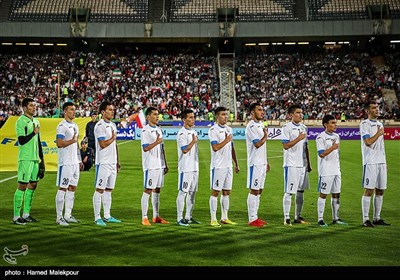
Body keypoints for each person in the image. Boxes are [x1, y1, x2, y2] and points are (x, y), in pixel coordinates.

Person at [13, 98, 44, 225]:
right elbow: (21, 140)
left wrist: (42, 160)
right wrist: (33, 133)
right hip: (25, 158)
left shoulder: (36, 121)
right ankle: (16, 216)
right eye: (31, 105)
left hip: (35, 158)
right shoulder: (21, 121)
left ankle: (26, 214)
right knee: (22, 185)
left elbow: (38, 142)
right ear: (24, 108)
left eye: (34, 105)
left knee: (33, 184)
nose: (34, 107)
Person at [360, 101, 390, 227]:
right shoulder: (364, 124)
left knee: (381, 190)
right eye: (373, 108)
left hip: (380, 162)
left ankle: (377, 218)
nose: (377, 109)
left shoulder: (379, 124)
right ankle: (366, 219)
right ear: (367, 111)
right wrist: (379, 133)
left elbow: (381, 145)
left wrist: (385, 161)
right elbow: (368, 142)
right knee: (369, 190)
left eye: (377, 107)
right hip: (370, 161)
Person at [208, 107, 240, 227]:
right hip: (218, 166)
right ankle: (213, 219)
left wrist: (236, 163)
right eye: (223, 115)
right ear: (217, 116)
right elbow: (215, 147)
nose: (225, 117)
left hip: (228, 166)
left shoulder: (229, 129)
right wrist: (226, 140)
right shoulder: (213, 130)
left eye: (226, 114)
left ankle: (224, 217)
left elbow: (232, 148)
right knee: (215, 192)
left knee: (227, 192)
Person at [282, 104, 312, 226]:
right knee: (289, 191)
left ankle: (297, 216)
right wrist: (299, 138)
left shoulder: (304, 127)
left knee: (301, 191)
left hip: (302, 165)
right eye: (298, 112)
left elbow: (306, 147)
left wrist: (308, 163)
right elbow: (285, 145)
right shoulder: (286, 127)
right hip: (291, 164)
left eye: (301, 112)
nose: (301, 115)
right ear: (291, 115)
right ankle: (286, 218)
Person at [92, 101, 121, 226]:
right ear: (103, 112)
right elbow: (102, 144)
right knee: (100, 189)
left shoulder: (113, 125)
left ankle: (107, 216)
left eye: (113, 109)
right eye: (109, 109)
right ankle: (97, 217)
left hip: (112, 162)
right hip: (103, 162)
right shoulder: (100, 126)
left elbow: (115, 145)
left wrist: (117, 161)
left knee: (109, 190)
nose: (112, 111)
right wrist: (113, 138)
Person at [316, 114, 347, 227]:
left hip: (336, 170)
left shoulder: (337, 136)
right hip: (326, 171)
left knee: (336, 194)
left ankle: (336, 218)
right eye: (333, 123)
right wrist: (333, 147)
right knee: (323, 194)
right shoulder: (320, 137)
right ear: (325, 124)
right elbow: (321, 154)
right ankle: (320, 219)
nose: (335, 125)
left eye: (335, 123)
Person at [55, 102, 83, 226]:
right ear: (65, 111)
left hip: (75, 163)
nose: (74, 112)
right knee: (63, 188)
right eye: (71, 110)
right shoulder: (62, 126)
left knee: (72, 188)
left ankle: (68, 215)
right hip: (65, 163)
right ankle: (59, 217)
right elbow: (59, 143)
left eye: (74, 109)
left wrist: (80, 160)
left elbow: (76, 145)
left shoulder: (75, 125)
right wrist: (72, 140)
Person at [140, 106, 169, 226]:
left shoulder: (158, 129)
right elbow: (145, 148)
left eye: (158, 114)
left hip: (159, 165)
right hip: (150, 165)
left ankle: (156, 216)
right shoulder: (145, 131)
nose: (157, 116)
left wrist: (164, 163)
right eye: (155, 114)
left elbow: (161, 148)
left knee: (157, 190)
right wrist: (156, 142)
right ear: (148, 117)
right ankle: (144, 217)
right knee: (148, 190)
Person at [245, 102, 269, 227]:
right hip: (255, 163)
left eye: (262, 109)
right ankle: (252, 219)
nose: (262, 112)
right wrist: (266, 135)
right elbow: (257, 144)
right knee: (254, 190)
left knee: (259, 190)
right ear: (252, 112)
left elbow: (263, 147)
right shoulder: (251, 126)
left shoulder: (260, 125)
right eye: (259, 110)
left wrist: (267, 162)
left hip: (262, 163)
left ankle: (256, 217)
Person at [176, 109, 199, 226]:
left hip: (194, 167)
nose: (193, 119)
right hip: (185, 168)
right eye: (190, 117)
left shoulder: (193, 131)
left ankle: (188, 216)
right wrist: (193, 142)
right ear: (184, 120)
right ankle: (179, 218)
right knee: (183, 192)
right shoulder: (182, 133)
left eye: (193, 117)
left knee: (192, 193)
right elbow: (184, 150)